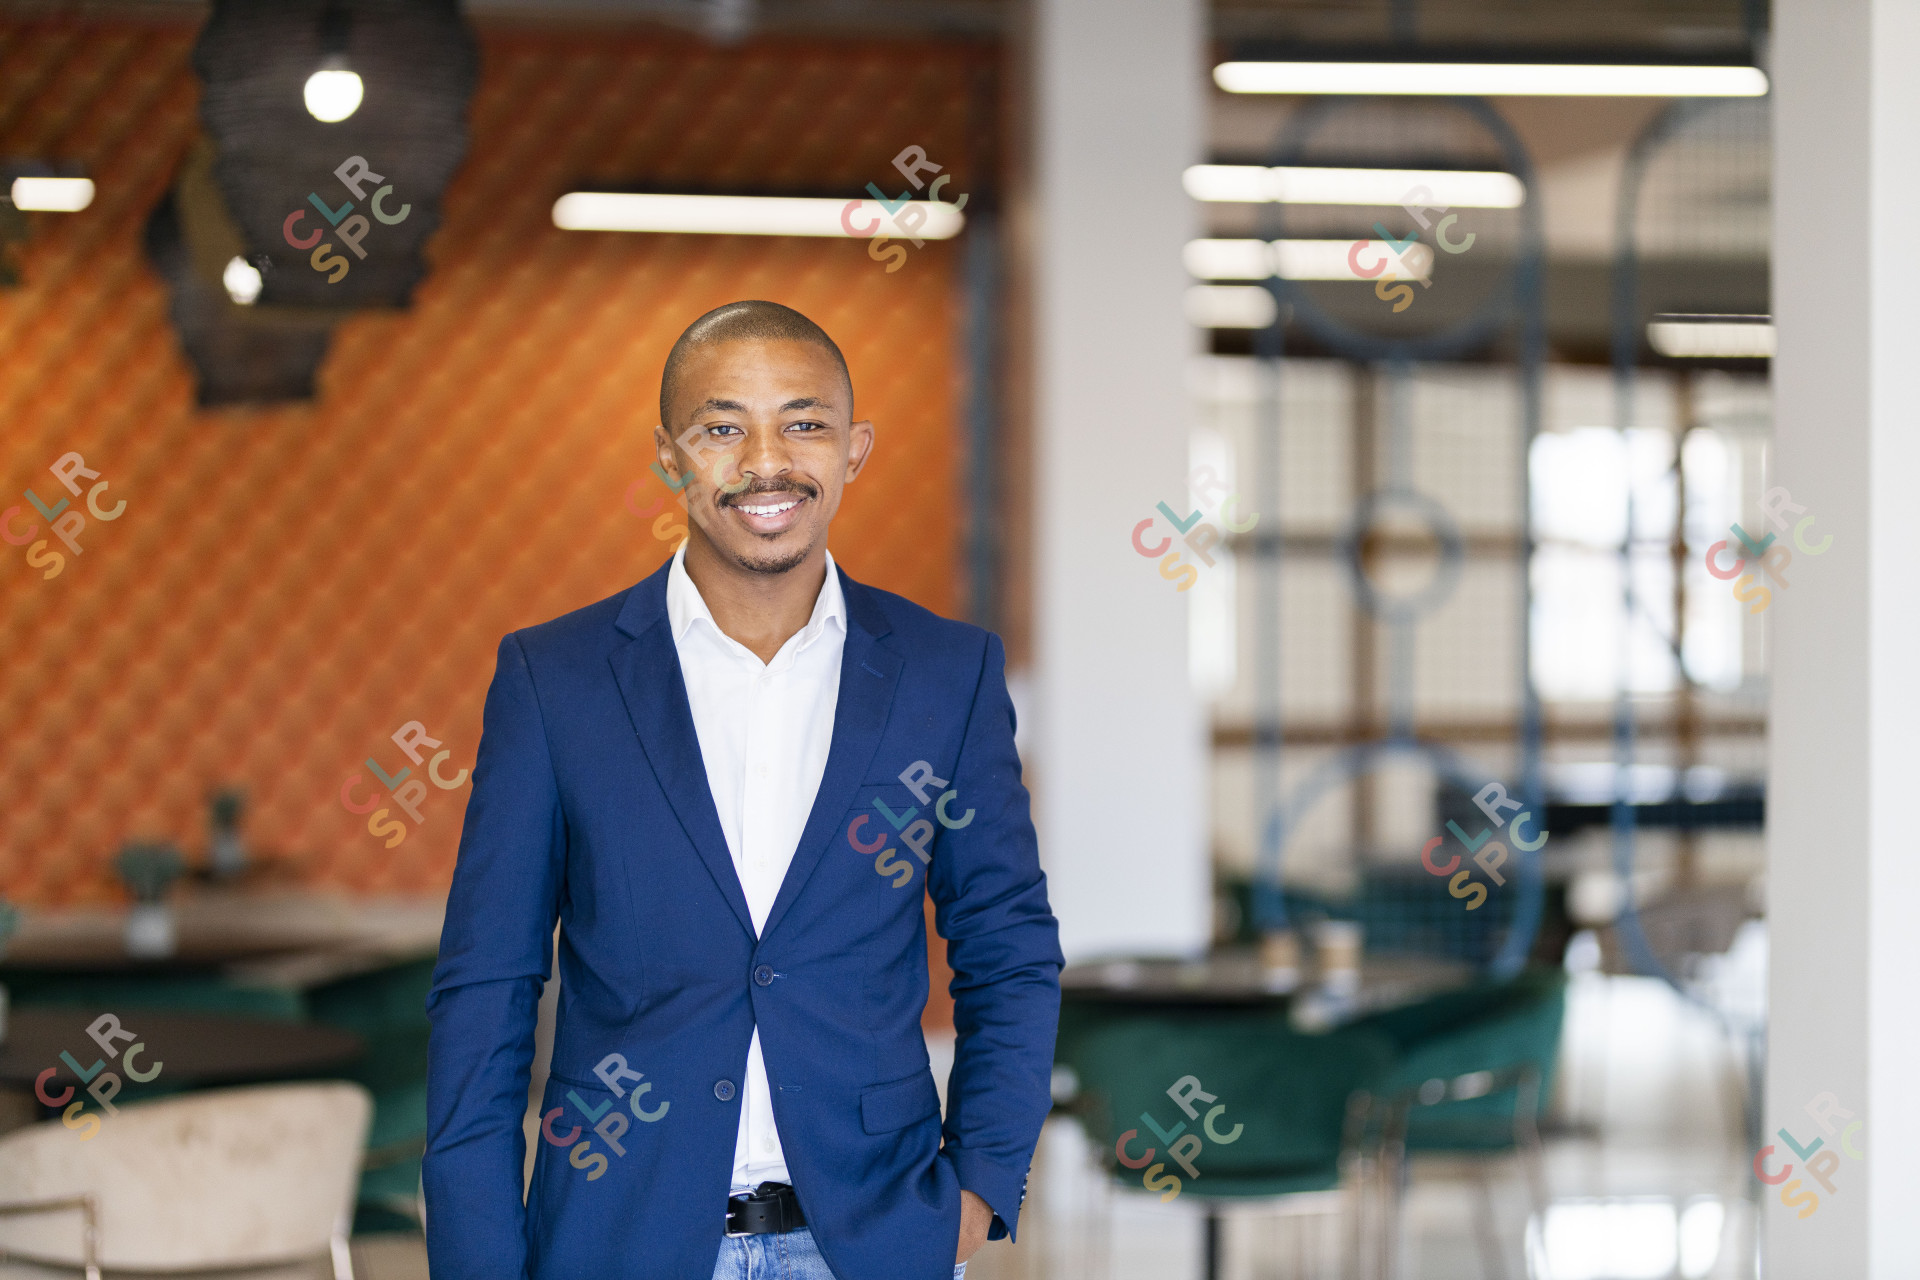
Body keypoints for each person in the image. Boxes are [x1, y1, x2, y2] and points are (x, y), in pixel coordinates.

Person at [423, 300, 1063, 1280]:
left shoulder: (948, 673)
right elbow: (487, 985)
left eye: (804, 423)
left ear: (853, 450)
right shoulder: (557, 680)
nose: (768, 461)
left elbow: (1008, 943)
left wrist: (980, 1187)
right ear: (669, 457)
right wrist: (478, 1260)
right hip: (618, 1240)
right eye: (722, 428)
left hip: (874, 1239)